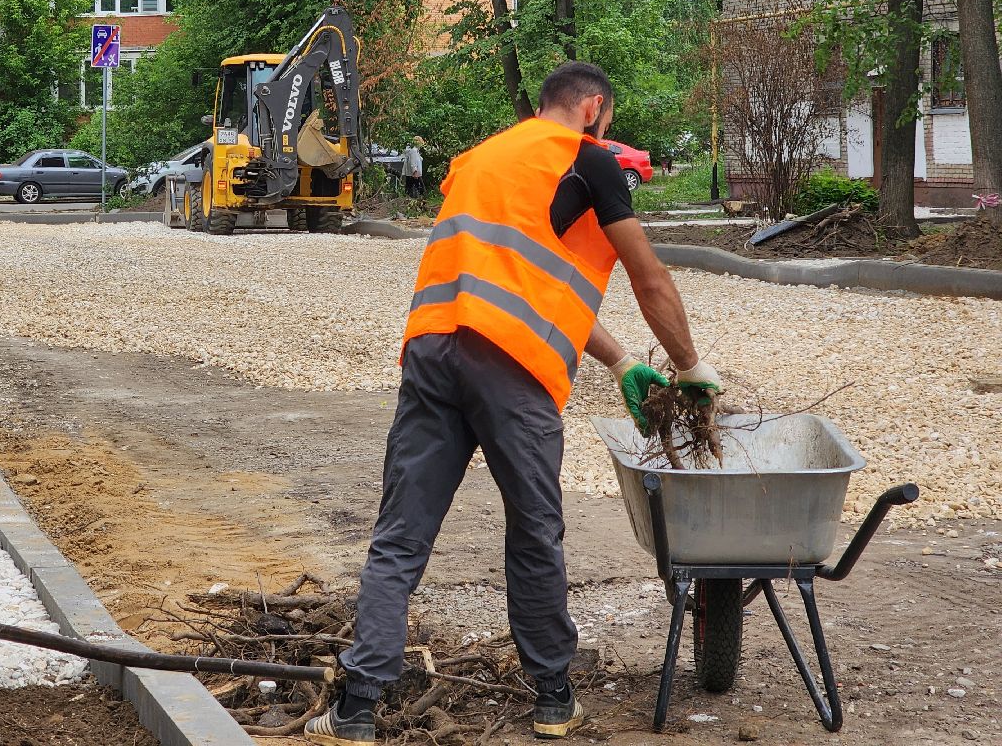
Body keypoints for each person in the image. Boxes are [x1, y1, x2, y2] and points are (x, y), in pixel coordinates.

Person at [305, 61, 723, 744]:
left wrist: (618, 360)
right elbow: (650, 281)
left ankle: (355, 711)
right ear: (592, 109)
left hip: (433, 353)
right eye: (606, 120)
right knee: (534, 531)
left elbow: (530, 278)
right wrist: (690, 366)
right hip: (511, 370)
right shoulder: (588, 163)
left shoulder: (481, 161)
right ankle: (554, 699)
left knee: (400, 538)